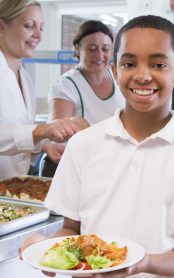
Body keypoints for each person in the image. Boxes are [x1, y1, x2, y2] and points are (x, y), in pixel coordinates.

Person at [20, 15, 174, 277]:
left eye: (158, 64)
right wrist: (49, 251)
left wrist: (142, 263)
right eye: (129, 63)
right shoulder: (83, 145)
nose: (143, 76)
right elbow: (71, 230)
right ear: (115, 69)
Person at [0, 0, 88, 179]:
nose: (37, 35)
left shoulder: (25, 79)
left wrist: (42, 145)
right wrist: (41, 131)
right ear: (1, 27)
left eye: (41, 28)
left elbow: (14, 139)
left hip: (12, 189)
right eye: (29, 26)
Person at [41, 20, 125, 176]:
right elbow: (57, 135)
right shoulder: (65, 85)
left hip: (110, 165)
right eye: (92, 49)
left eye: (105, 49)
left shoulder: (118, 79)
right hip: (73, 167)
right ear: (78, 49)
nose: (99, 55)